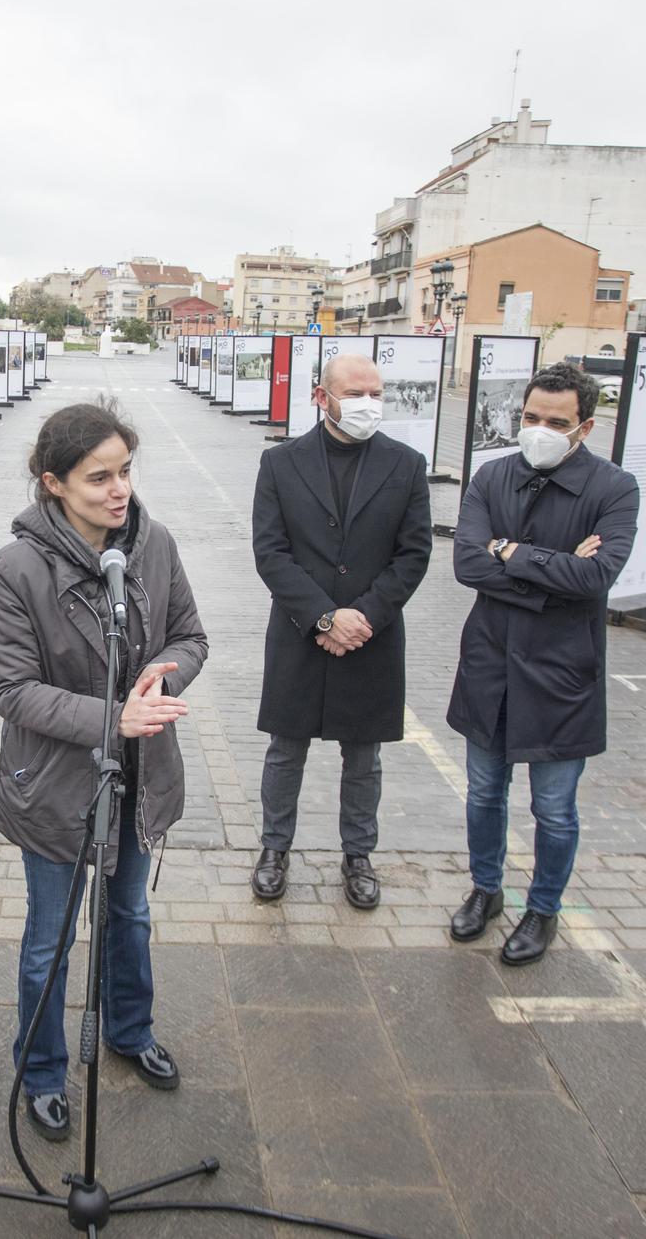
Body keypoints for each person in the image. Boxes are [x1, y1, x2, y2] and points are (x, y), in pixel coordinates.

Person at [0, 403, 209, 1142]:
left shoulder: (153, 545)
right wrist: (111, 716)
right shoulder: (16, 567)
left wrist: (161, 676)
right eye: (98, 477)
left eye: (125, 472)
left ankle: (130, 1030)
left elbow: (189, 634)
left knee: (131, 915)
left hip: (138, 775)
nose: (120, 491)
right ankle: (44, 1070)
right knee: (49, 937)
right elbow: (12, 690)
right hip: (53, 785)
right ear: (53, 483)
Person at [446, 362, 640, 966]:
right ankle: (486, 889)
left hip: (562, 674)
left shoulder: (614, 488)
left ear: (583, 427)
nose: (539, 430)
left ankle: (544, 909)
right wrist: (549, 567)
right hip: (492, 666)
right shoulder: (492, 476)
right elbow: (467, 565)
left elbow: (597, 575)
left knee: (553, 808)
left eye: (555, 422)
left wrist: (510, 552)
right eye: (530, 418)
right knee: (483, 792)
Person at [250, 353, 432, 910]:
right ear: (320, 397)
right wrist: (325, 616)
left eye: (376, 393)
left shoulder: (405, 464)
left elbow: (414, 553)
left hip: (372, 637)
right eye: (354, 394)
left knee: (364, 756)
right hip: (301, 631)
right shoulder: (280, 463)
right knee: (286, 750)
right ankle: (274, 849)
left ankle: (358, 855)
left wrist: (365, 617)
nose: (367, 405)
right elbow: (270, 552)